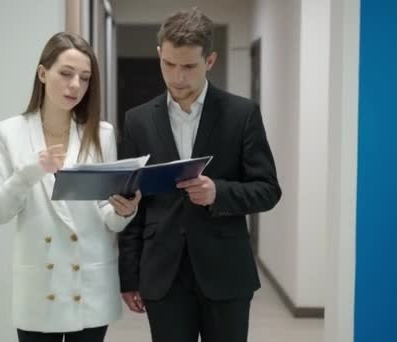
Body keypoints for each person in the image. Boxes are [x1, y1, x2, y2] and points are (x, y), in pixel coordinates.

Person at [118, 8, 281, 342]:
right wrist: (129, 276)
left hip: (226, 272)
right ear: (160, 54)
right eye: (169, 64)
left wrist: (218, 193)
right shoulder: (137, 121)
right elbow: (132, 202)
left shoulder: (242, 114)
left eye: (189, 66)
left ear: (210, 60)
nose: (178, 77)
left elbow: (268, 190)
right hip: (163, 273)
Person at [0, 32, 140, 342]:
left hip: (89, 281)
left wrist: (125, 211)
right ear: (43, 73)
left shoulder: (102, 133)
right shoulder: (9, 132)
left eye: (84, 78)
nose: (75, 86)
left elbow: (106, 213)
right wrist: (31, 171)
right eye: (66, 74)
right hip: (41, 286)